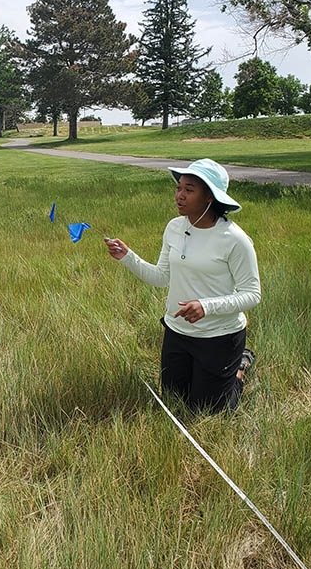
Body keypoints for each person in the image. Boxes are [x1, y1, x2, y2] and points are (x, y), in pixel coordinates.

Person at [105, 159, 261, 413]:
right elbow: (160, 277)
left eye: (189, 190)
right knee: (173, 399)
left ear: (210, 196)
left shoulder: (235, 239)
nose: (179, 196)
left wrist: (206, 306)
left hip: (218, 336)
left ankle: (240, 367)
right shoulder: (175, 227)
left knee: (207, 411)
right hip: (177, 332)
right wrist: (127, 257)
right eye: (179, 188)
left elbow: (252, 294)